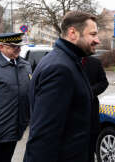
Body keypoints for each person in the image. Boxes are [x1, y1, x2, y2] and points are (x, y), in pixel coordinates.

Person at [23, 11, 101, 162]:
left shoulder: (68, 61)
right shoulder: (60, 68)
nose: (97, 40)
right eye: (93, 34)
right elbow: (43, 137)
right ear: (73, 33)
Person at [0, 32, 32, 162]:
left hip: (15, 129)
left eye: (19, 47)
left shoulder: (24, 65)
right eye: (14, 47)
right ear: (1, 47)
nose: (19, 49)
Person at [82, 56, 109, 162]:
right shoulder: (69, 62)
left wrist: (90, 91)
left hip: (91, 113)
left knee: (91, 147)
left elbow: (104, 82)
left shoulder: (95, 62)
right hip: (73, 118)